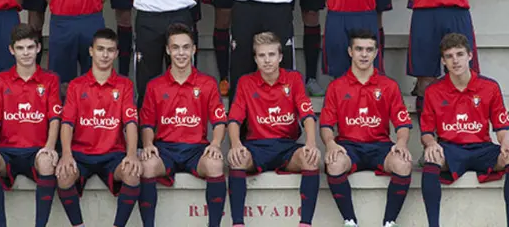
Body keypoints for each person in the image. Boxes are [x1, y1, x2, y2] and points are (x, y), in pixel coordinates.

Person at [420, 33, 509, 227]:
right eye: (449, 56)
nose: (455, 61)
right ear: (443, 60)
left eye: (459, 54)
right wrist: (431, 143)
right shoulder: (433, 91)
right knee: (431, 159)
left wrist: (506, 143)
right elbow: (426, 131)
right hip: (450, 149)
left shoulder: (489, 87)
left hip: (481, 148)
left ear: (470, 56)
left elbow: (501, 127)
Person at [319, 29, 413, 227]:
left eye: (369, 50)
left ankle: (389, 222)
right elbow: (326, 124)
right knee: (334, 164)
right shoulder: (337, 86)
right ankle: (350, 221)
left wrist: (402, 143)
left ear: (376, 53)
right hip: (348, 146)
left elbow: (402, 122)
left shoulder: (389, 86)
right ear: (350, 51)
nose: (364, 54)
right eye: (359, 49)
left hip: (380, 146)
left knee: (403, 164)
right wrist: (330, 144)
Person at [227, 32, 320, 227]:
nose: (267, 60)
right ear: (255, 59)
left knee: (311, 159)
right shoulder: (246, 82)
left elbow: (307, 115)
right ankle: (237, 223)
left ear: (280, 57)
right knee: (237, 159)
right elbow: (234, 119)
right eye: (262, 56)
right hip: (256, 147)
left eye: (271, 54)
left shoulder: (294, 79)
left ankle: (306, 223)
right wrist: (235, 145)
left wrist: (311, 144)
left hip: (287, 147)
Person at [138, 23, 227, 227]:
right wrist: (149, 144)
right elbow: (147, 123)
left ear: (194, 49)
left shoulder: (208, 83)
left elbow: (220, 120)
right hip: (165, 149)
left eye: (186, 47)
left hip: (196, 149)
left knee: (215, 165)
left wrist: (214, 144)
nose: (181, 53)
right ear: (168, 50)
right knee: (147, 166)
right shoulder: (154, 85)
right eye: (176, 47)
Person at [0, 24, 62, 227]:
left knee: (46, 162)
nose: (26, 53)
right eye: (20, 48)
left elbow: (54, 118)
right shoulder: (0, 80)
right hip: (7, 150)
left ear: (38, 48)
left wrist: (50, 146)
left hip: (37, 149)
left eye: (30, 47)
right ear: (11, 50)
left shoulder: (51, 80)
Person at [56, 28, 141, 227]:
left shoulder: (125, 85)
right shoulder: (76, 85)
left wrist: (131, 154)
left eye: (110, 50)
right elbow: (67, 123)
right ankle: (78, 225)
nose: (105, 54)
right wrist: (66, 154)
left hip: (113, 154)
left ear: (116, 53)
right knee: (64, 175)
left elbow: (130, 122)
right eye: (100, 49)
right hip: (81, 153)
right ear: (91, 51)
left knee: (133, 172)